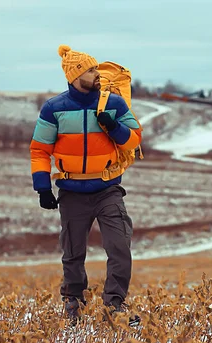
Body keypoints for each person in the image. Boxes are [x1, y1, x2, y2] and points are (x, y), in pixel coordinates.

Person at [29, 44, 142, 326]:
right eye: (91, 69)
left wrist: (114, 127)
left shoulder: (113, 103)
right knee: (73, 251)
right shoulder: (54, 108)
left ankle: (115, 304)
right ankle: (73, 302)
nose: (97, 72)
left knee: (119, 246)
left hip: (108, 189)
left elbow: (135, 139)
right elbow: (40, 150)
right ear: (75, 75)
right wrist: (42, 187)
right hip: (71, 191)